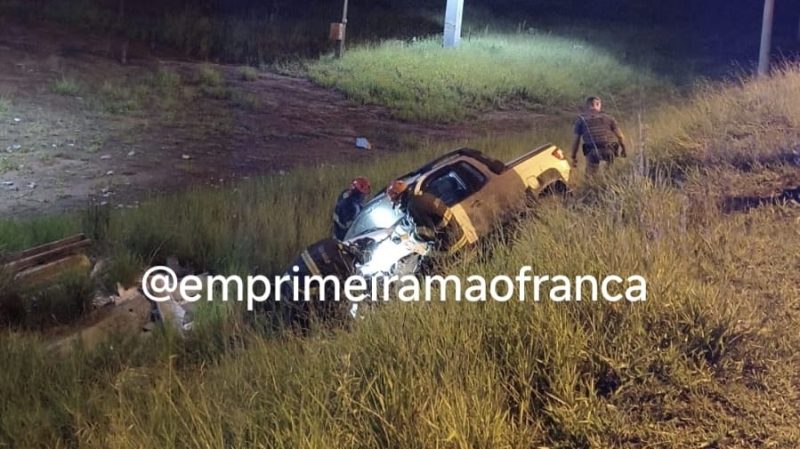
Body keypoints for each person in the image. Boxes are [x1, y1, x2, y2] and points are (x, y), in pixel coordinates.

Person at [277, 238, 363, 328]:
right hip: (297, 299)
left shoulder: (331, 243)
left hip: (284, 284)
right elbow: (337, 299)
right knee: (338, 319)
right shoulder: (345, 266)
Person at [385, 180, 467, 254]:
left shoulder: (413, 206)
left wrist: (409, 238)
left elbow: (426, 234)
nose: (398, 206)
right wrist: (397, 232)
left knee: (423, 268)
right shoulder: (416, 198)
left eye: (396, 203)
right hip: (457, 236)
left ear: (399, 198)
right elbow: (409, 221)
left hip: (451, 246)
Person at [570, 96, 627, 177]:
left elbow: (576, 141)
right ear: (598, 104)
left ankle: (592, 187)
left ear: (587, 106)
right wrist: (624, 150)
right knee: (611, 175)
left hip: (591, 151)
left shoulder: (581, 120)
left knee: (590, 178)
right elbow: (620, 137)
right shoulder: (609, 118)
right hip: (608, 150)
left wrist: (573, 157)